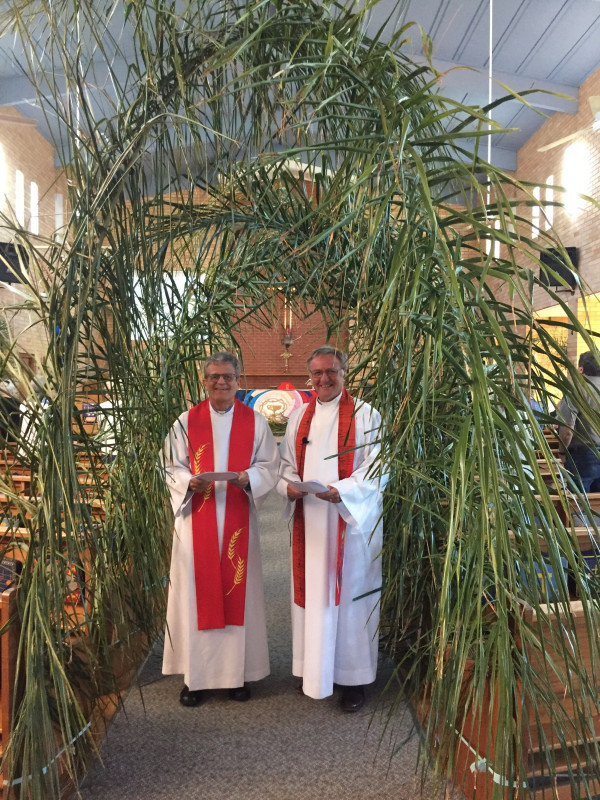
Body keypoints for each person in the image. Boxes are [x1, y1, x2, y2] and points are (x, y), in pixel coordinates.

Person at [161, 352, 279, 706]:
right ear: (204, 381)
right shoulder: (185, 421)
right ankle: (195, 679)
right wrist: (188, 481)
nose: (221, 382)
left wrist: (249, 477)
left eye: (227, 376)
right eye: (214, 376)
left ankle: (237, 677)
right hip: (195, 521)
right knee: (195, 596)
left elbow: (269, 465)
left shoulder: (254, 422)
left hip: (237, 516)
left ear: (238, 381)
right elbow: (170, 465)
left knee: (239, 595)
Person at [277, 345, 386, 712]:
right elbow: (285, 465)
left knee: (351, 599)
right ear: (310, 376)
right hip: (310, 521)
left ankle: (353, 679)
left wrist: (344, 491)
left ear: (344, 373)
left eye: (331, 371)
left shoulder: (366, 415)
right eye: (318, 372)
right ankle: (315, 670)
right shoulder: (299, 417)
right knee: (314, 597)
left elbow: (378, 467)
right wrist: (289, 487)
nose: (324, 378)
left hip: (349, 525)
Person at [558, 350, 600, 492]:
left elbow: (567, 430)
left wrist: (562, 452)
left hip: (583, 456)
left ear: (581, 369)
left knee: (580, 503)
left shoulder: (576, 389)